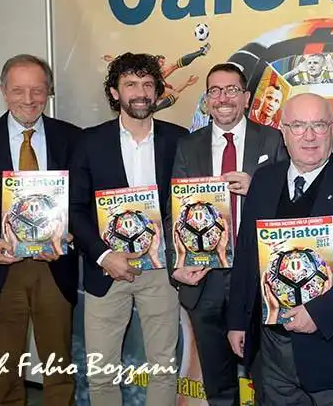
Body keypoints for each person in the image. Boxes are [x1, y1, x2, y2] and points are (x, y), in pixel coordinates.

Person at [227, 93, 333, 405]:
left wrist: (318, 313)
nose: (309, 136)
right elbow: (247, 253)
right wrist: (237, 322)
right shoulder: (264, 180)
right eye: (298, 125)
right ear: (283, 131)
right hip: (271, 350)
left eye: (319, 125)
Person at [0, 54, 81, 405]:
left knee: (59, 370)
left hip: (54, 268)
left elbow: (84, 200)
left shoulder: (71, 138)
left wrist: (71, 231)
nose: (29, 99)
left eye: (37, 90)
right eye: (18, 90)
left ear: (49, 91)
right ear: (3, 91)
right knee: (5, 374)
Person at [70, 53, 188, 406]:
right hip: (106, 269)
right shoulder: (89, 142)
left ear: (158, 91)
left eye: (148, 84)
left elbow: (190, 203)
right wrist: (104, 255)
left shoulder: (180, 139)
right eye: (131, 84)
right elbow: (74, 208)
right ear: (114, 92)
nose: (141, 92)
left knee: (164, 367)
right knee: (101, 372)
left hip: (161, 270)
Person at [168, 63, 287, 406]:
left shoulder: (273, 140)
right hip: (206, 277)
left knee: (269, 380)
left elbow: (292, 205)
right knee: (218, 386)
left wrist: (258, 190)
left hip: (258, 277)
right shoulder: (188, 146)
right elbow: (174, 211)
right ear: (207, 100)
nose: (223, 98)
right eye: (215, 91)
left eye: (232, 90)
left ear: (246, 98)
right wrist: (175, 264)